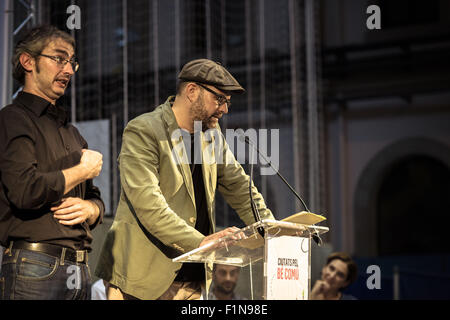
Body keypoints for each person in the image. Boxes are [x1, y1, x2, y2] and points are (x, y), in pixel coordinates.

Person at [95, 58, 274, 300]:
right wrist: (201, 242)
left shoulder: (211, 135)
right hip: (141, 280)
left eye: (227, 102)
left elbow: (240, 186)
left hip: (192, 281)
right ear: (192, 91)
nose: (224, 109)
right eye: (219, 99)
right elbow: (148, 204)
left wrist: (272, 231)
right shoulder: (144, 130)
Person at [0, 25, 105, 300]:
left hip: (79, 268)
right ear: (28, 61)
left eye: (72, 62)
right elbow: (24, 190)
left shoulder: (71, 133)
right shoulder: (13, 118)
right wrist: (82, 170)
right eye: (59, 59)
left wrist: (91, 209)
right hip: (35, 266)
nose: (69, 70)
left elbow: (94, 197)